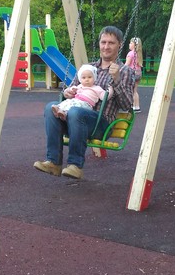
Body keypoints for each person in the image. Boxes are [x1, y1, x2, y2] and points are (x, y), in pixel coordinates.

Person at [33, 26, 135, 180]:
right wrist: (67, 93)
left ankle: (75, 165)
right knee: (50, 108)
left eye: (111, 43)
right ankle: (53, 162)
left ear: (119, 45)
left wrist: (117, 80)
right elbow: (72, 89)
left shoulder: (124, 71)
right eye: (103, 42)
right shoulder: (88, 68)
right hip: (73, 119)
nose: (106, 46)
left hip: (100, 124)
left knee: (76, 112)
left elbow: (126, 105)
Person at [125, 37, 143, 112]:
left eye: (131, 43)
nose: (129, 44)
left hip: (132, 74)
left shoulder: (131, 53)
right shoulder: (138, 54)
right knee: (135, 91)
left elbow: (127, 65)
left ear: (135, 45)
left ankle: (132, 106)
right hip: (138, 73)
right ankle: (137, 106)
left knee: (130, 91)